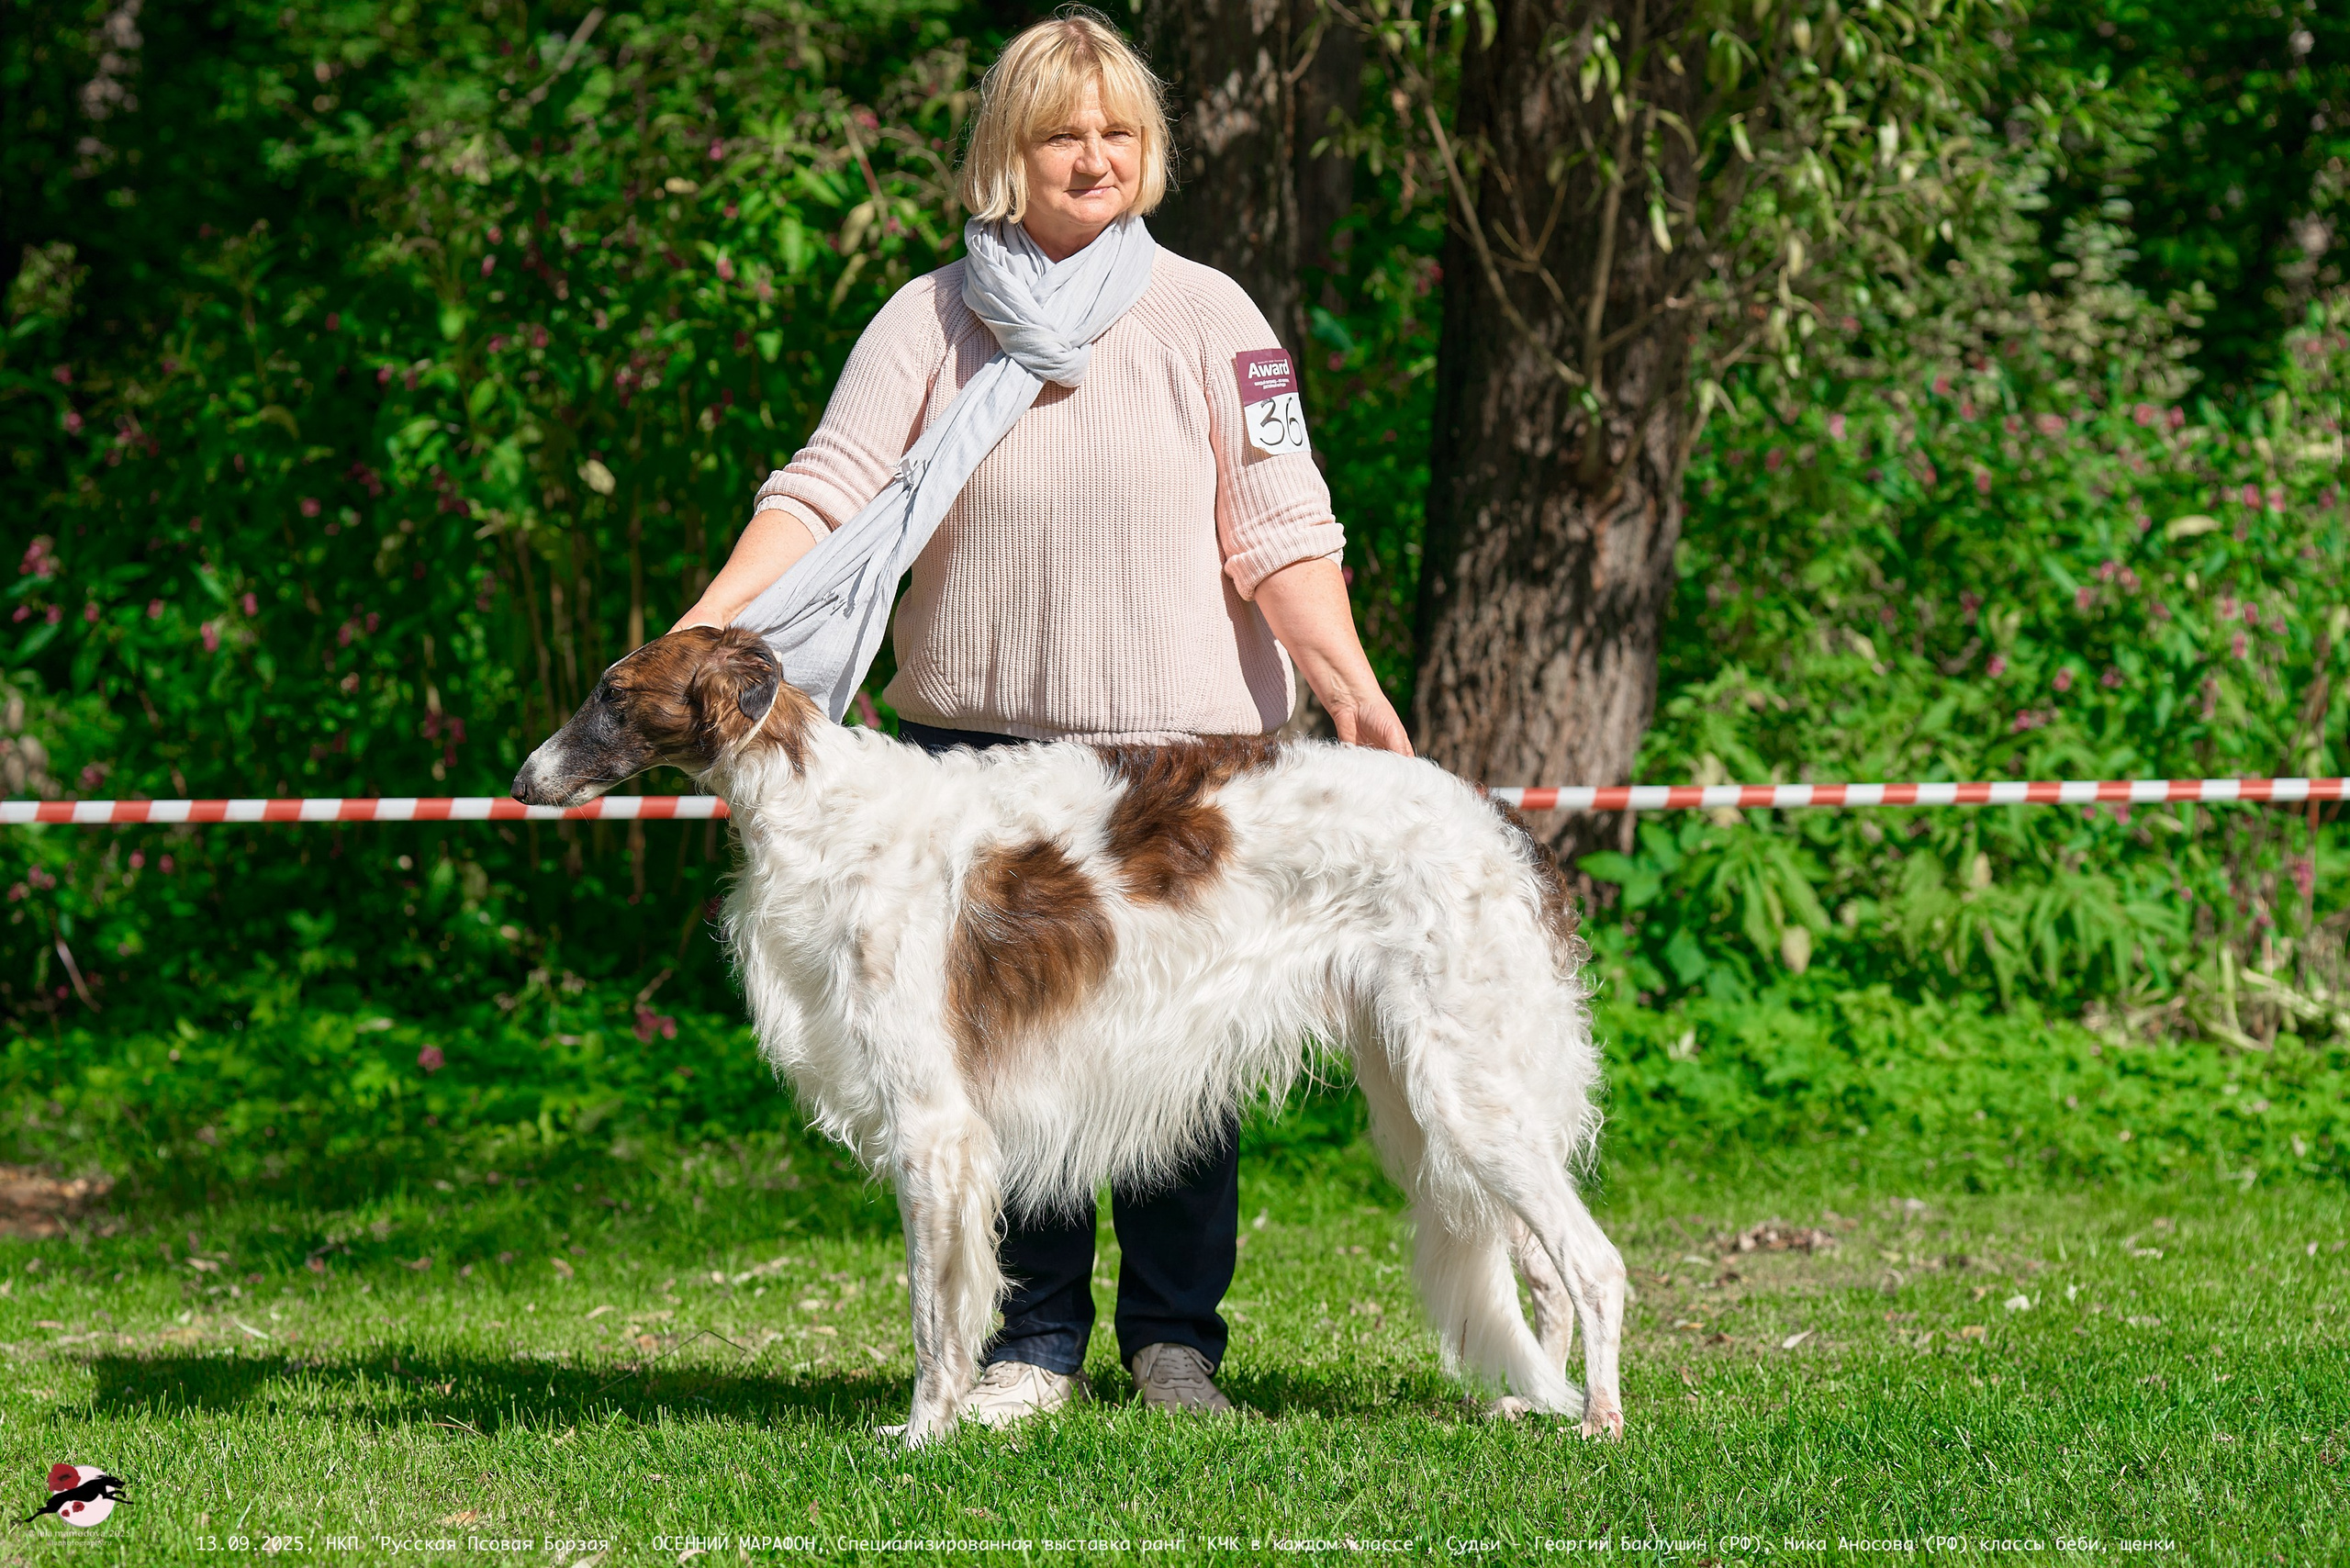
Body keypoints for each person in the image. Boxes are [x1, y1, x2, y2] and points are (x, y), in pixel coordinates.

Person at [677, 8, 1409, 1426]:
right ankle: (1032, 1344)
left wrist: (1352, 687)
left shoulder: (1214, 318)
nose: (1095, 155)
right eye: (1064, 131)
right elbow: (827, 487)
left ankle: (1177, 1345)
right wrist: (707, 628)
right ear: (1007, 153)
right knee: (1005, 1078)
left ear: (1152, 152)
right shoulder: (930, 319)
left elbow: (1280, 529)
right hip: (976, 764)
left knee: (1183, 1058)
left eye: (1119, 131)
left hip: (1181, 769)